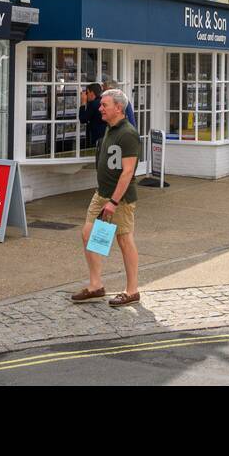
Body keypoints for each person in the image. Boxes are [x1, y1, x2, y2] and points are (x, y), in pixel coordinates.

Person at [72, 89, 142, 308]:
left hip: (118, 199)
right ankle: (96, 285)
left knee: (124, 240)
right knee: (88, 233)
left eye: (105, 105)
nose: (100, 108)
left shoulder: (128, 133)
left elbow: (128, 171)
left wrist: (113, 202)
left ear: (118, 108)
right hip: (101, 194)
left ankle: (132, 290)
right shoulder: (109, 130)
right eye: (101, 105)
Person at [80, 83, 105, 149]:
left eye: (87, 92)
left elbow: (83, 119)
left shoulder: (93, 104)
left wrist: (83, 103)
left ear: (92, 93)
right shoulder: (102, 101)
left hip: (96, 136)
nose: (86, 95)